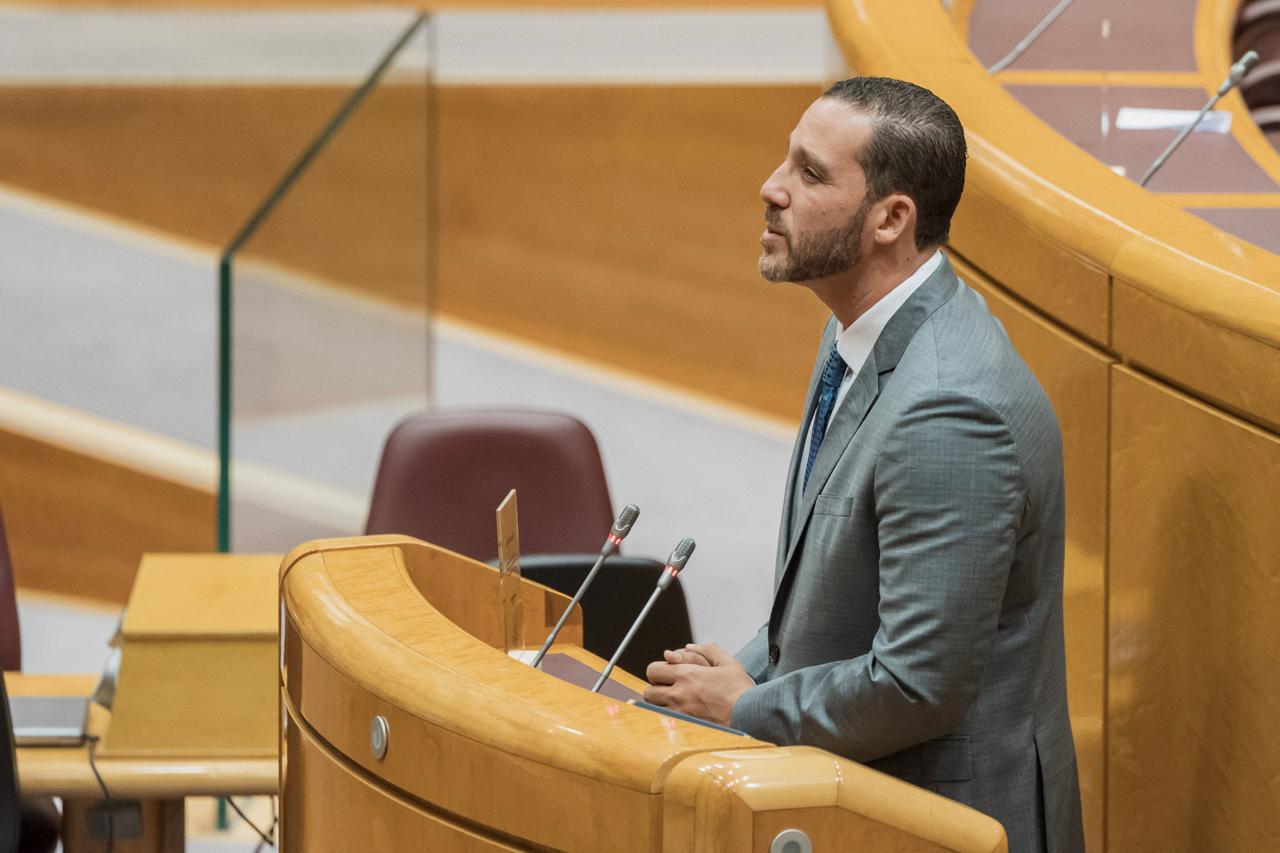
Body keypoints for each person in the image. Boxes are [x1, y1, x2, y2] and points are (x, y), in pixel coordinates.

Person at [642, 77, 1085, 853]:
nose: (771, 187)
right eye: (787, 159)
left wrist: (743, 707)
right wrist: (727, 676)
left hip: (939, 821)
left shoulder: (948, 410)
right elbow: (833, 599)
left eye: (810, 173)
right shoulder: (859, 329)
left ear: (890, 219)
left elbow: (916, 684)